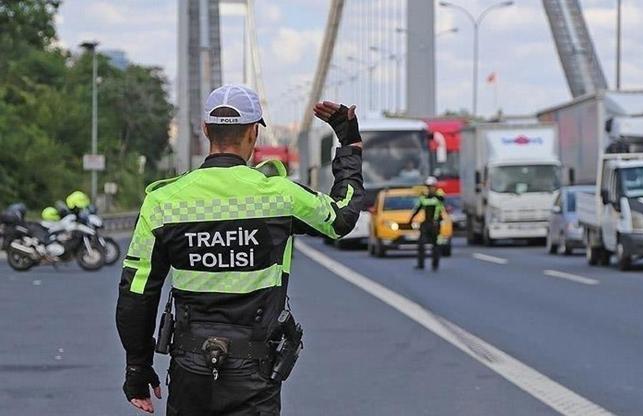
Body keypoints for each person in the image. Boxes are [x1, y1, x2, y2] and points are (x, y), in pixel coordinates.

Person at [116, 84, 364, 415]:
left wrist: (137, 368)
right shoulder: (280, 196)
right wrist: (349, 146)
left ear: (206, 130)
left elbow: (136, 293)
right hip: (255, 370)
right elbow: (341, 218)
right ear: (253, 133)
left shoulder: (163, 202)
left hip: (190, 369)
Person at [409, 176, 445, 271]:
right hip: (426, 224)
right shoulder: (423, 198)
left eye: (432, 186)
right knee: (421, 244)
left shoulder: (439, 197)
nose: (430, 189)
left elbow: (442, 200)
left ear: (435, 187)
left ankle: (435, 265)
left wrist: (437, 194)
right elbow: (417, 209)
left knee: (436, 246)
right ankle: (421, 264)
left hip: (435, 224)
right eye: (428, 187)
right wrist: (410, 220)